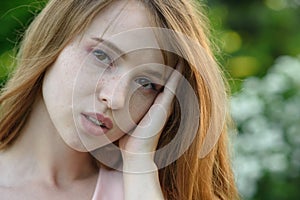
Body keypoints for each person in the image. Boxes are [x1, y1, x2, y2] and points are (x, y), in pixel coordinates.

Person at [0, 0, 239, 199]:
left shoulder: (144, 191)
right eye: (102, 56)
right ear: (53, 39)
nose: (115, 98)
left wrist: (140, 167)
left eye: (146, 84)